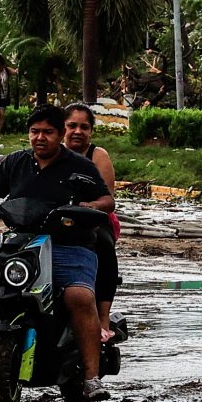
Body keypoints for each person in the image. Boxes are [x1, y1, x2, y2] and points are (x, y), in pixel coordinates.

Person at [0, 108, 117, 400]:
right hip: (20, 242)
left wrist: (90, 207)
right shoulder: (15, 162)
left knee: (79, 296)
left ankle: (91, 378)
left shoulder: (79, 166)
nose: (40, 137)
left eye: (47, 132)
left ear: (59, 135)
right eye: (35, 131)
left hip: (70, 245)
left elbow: (106, 199)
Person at [64, 103, 122, 349]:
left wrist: (91, 206)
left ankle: (104, 320)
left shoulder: (98, 156)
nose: (78, 131)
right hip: (52, 218)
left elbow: (107, 198)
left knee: (104, 246)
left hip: (93, 219)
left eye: (84, 127)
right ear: (62, 128)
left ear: (91, 132)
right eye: (72, 125)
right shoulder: (49, 151)